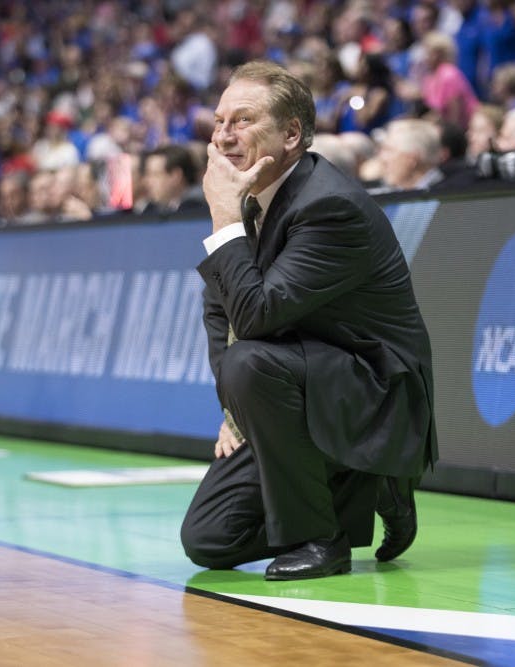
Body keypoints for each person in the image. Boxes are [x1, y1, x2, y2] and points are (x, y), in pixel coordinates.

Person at [180, 61, 437, 582]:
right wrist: (236, 410)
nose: (224, 137)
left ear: (292, 135)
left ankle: (322, 540)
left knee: (249, 362)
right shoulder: (251, 200)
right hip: (299, 384)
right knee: (209, 538)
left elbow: (253, 319)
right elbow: (218, 311)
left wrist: (224, 219)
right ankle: (366, 483)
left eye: (243, 121)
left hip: (371, 392)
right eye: (220, 121)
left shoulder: (328, 207)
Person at [140, 145, 207, 215]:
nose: (147, 182)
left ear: (176, 176)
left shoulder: (198, 212)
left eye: (155, 175)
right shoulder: (150, 210)